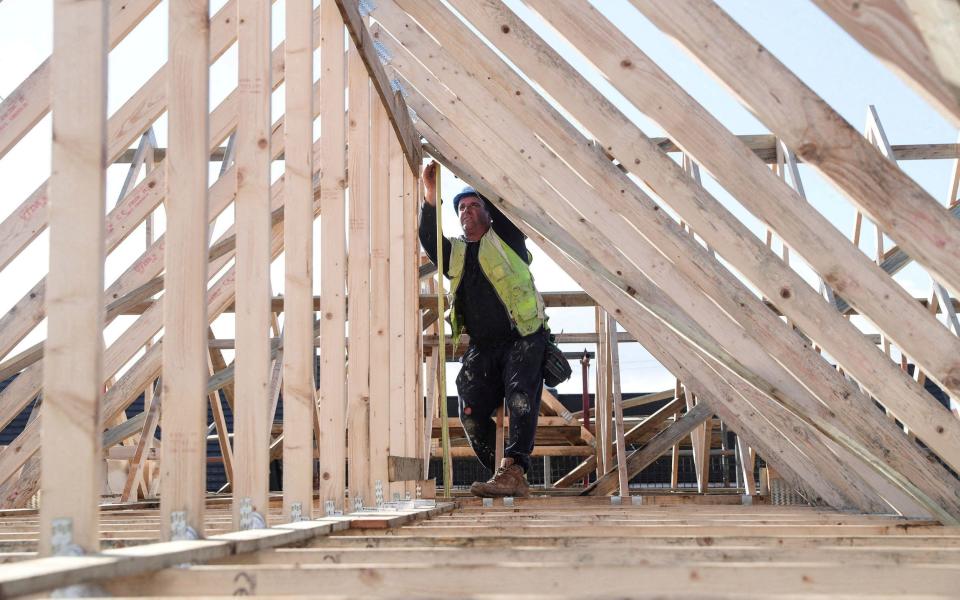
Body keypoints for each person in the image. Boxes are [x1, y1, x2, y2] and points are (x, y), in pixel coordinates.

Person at [418, 160, 549, 498]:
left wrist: (473, 168)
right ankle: (503, 474)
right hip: (483, 346)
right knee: (470, 411)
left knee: (520, 395)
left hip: (523, 337)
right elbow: (430, 241)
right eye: (461, 207)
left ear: (489, 214)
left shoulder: (507, 239)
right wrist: (431, 196)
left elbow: (503, 206)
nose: (467, 211)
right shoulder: (457, 254)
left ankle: (515, 467)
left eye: (475, 205)